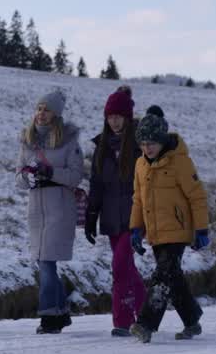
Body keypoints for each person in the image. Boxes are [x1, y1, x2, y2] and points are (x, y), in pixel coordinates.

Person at [127, 106, 210, 343]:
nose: (147, 148)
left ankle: (145, 324)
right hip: (155, 232)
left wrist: (201, 229)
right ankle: (192, 319)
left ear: (162, 140)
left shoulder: (180, 162)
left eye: (152, 143)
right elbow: (138, 199)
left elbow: (197, 196)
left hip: (177, 230)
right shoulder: (140, 165)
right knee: (173, 278)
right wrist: (136, 229)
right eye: (143, 143)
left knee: (162, 276)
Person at [16, 89, 83, 334]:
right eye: (39, 108)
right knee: (44, 263)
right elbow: (18, 177)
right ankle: (61, 310)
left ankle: (48, 317)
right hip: (36, 211)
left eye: (47, 109)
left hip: (60, 209)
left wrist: (50, 173)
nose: (41, 114)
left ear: (56, 115)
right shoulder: (27, 140)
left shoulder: (69, 141)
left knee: (46, 262)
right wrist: (28, 178)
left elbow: (76, 176)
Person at [85, 86, 146, 337]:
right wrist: (91, 215)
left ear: (128, 117)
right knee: (127, 268)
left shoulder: (141, 145)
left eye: (118, 116)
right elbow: (96, 184)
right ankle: (146, 311)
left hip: (135, 217)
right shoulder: (102, 147)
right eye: (110, 116)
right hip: (111, 217)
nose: (114, 121)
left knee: (120, 265)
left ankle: (121, 321)